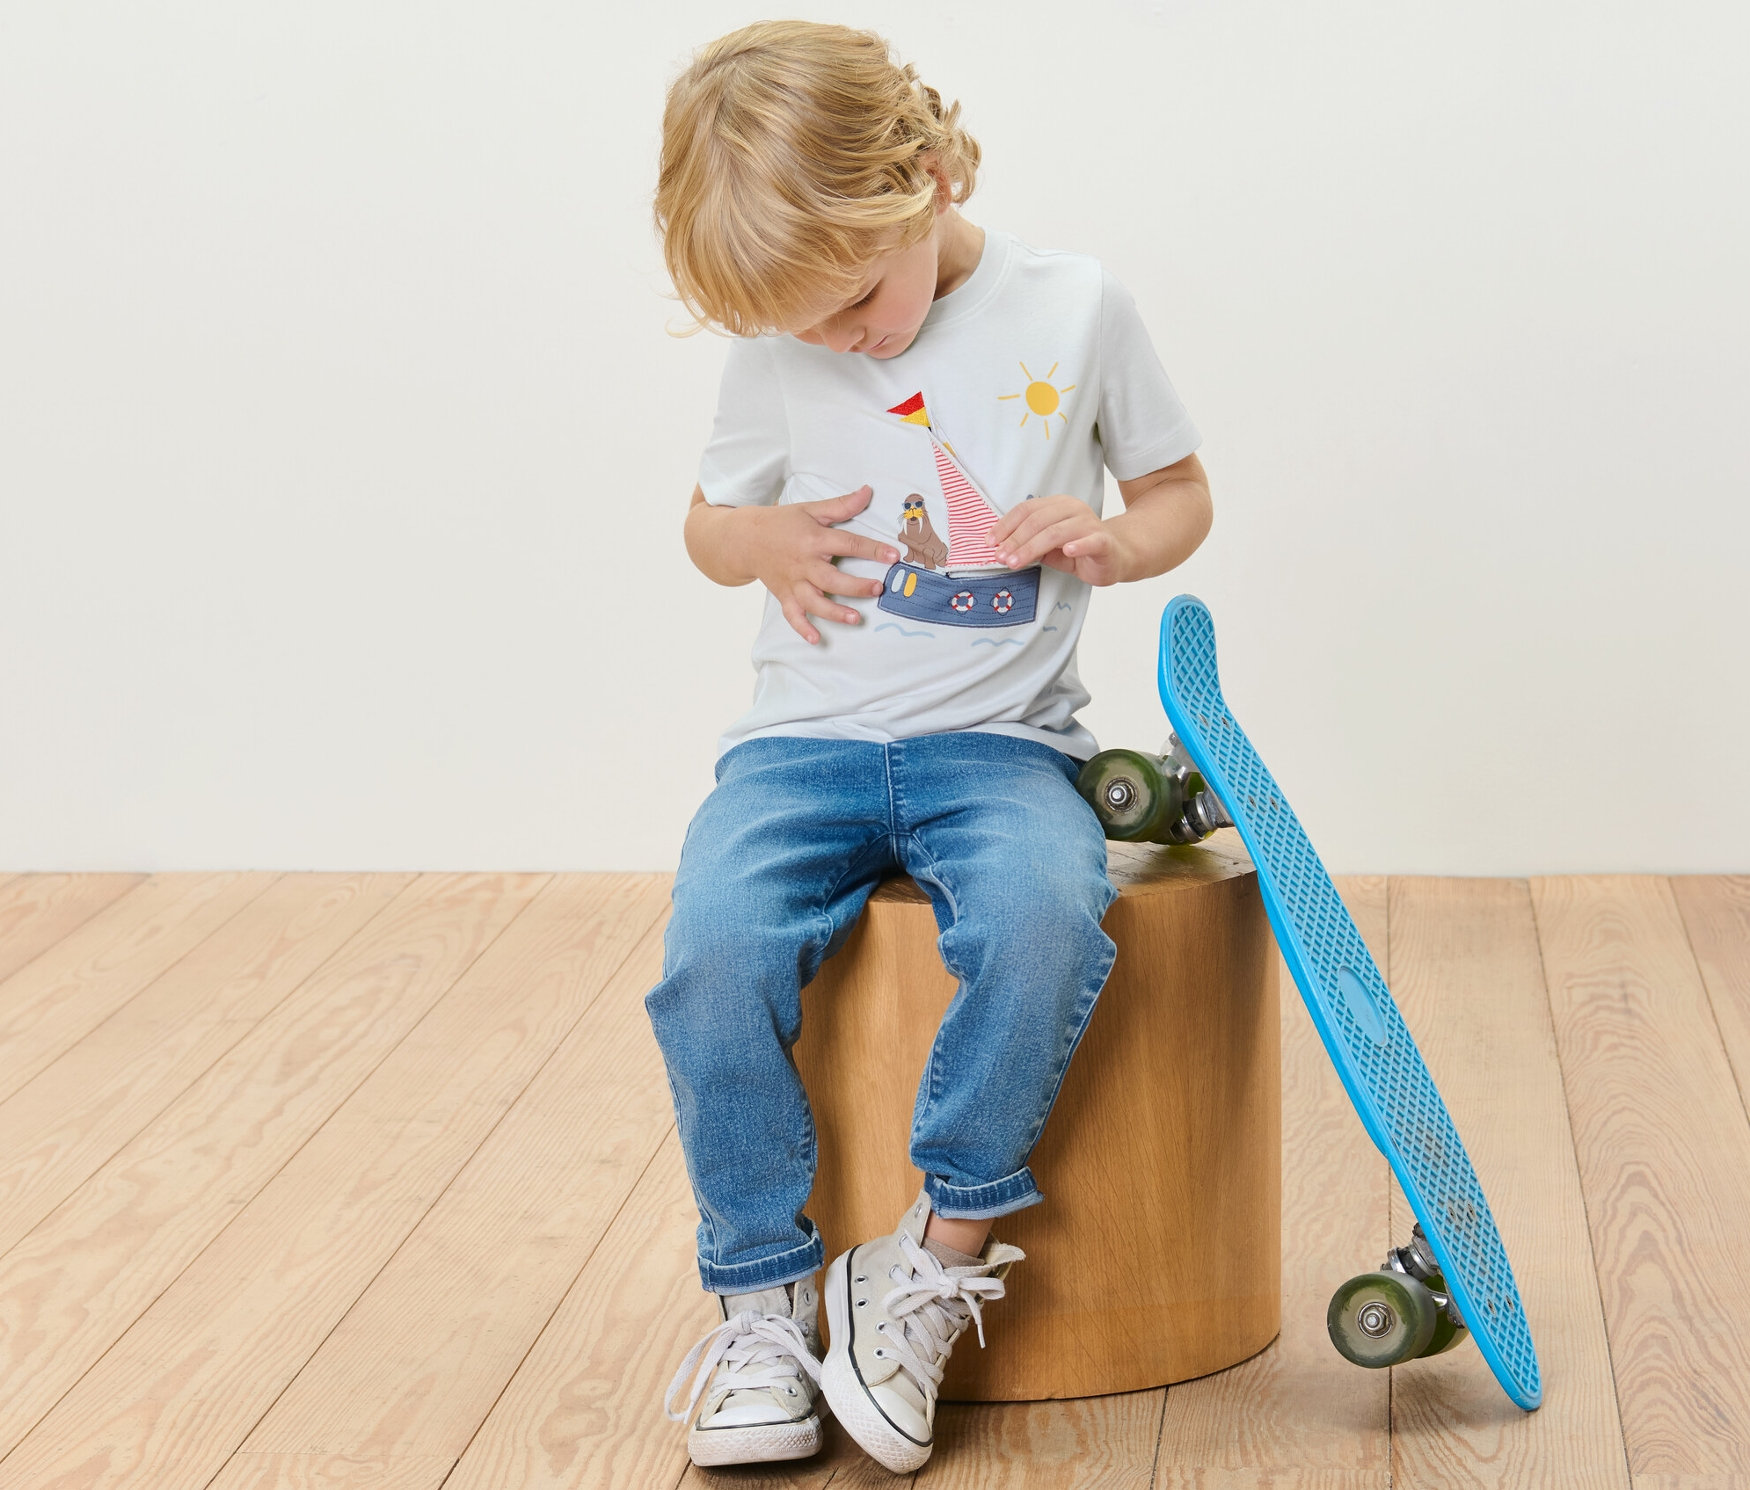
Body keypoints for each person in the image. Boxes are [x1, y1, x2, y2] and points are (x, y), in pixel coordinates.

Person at [645, 19, 1212, 1474]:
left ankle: (929, 1252)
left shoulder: (1076, 308)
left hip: (1002, 747)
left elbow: (1176, 492)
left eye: (857, 301)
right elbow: (711, 525)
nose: (841, 341)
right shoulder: (782, 340)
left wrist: (1110, 537)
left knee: (1043, 916)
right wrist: (751, 538)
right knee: (711, 948)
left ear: (934, 174)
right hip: (798, 749)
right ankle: (760, 1291)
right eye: (807, 327)